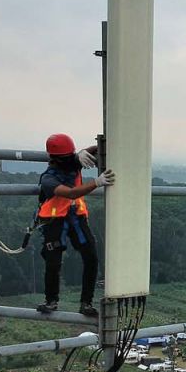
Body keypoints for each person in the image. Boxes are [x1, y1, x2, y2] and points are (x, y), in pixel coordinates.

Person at [36, 133, 115, 316]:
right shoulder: (49, 179)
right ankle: (51, 301)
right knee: (53, 262)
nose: (69, 159)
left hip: (76, 218)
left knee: (91, 257)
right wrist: (96, 182)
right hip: (55, 222)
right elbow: (71, 193)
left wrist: (87, 150)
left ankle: (86, 303)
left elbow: (81, 156)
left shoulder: (71, 161)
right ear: (54, 159)